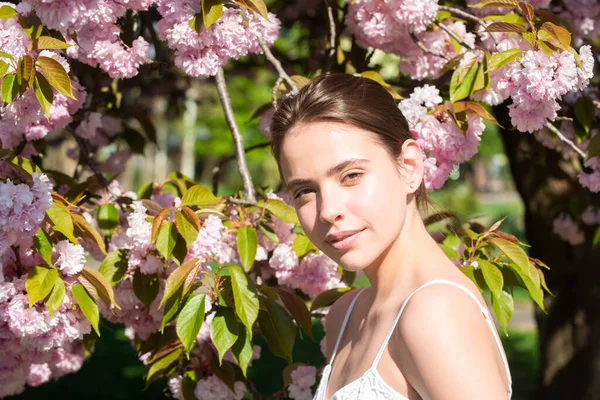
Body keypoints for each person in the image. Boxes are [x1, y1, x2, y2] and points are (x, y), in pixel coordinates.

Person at [269, 73, 512, 400]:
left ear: (409, 166)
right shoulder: (345, 314)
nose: (328, 210)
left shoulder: (433, 311)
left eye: (351, 176)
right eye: (305, 191)